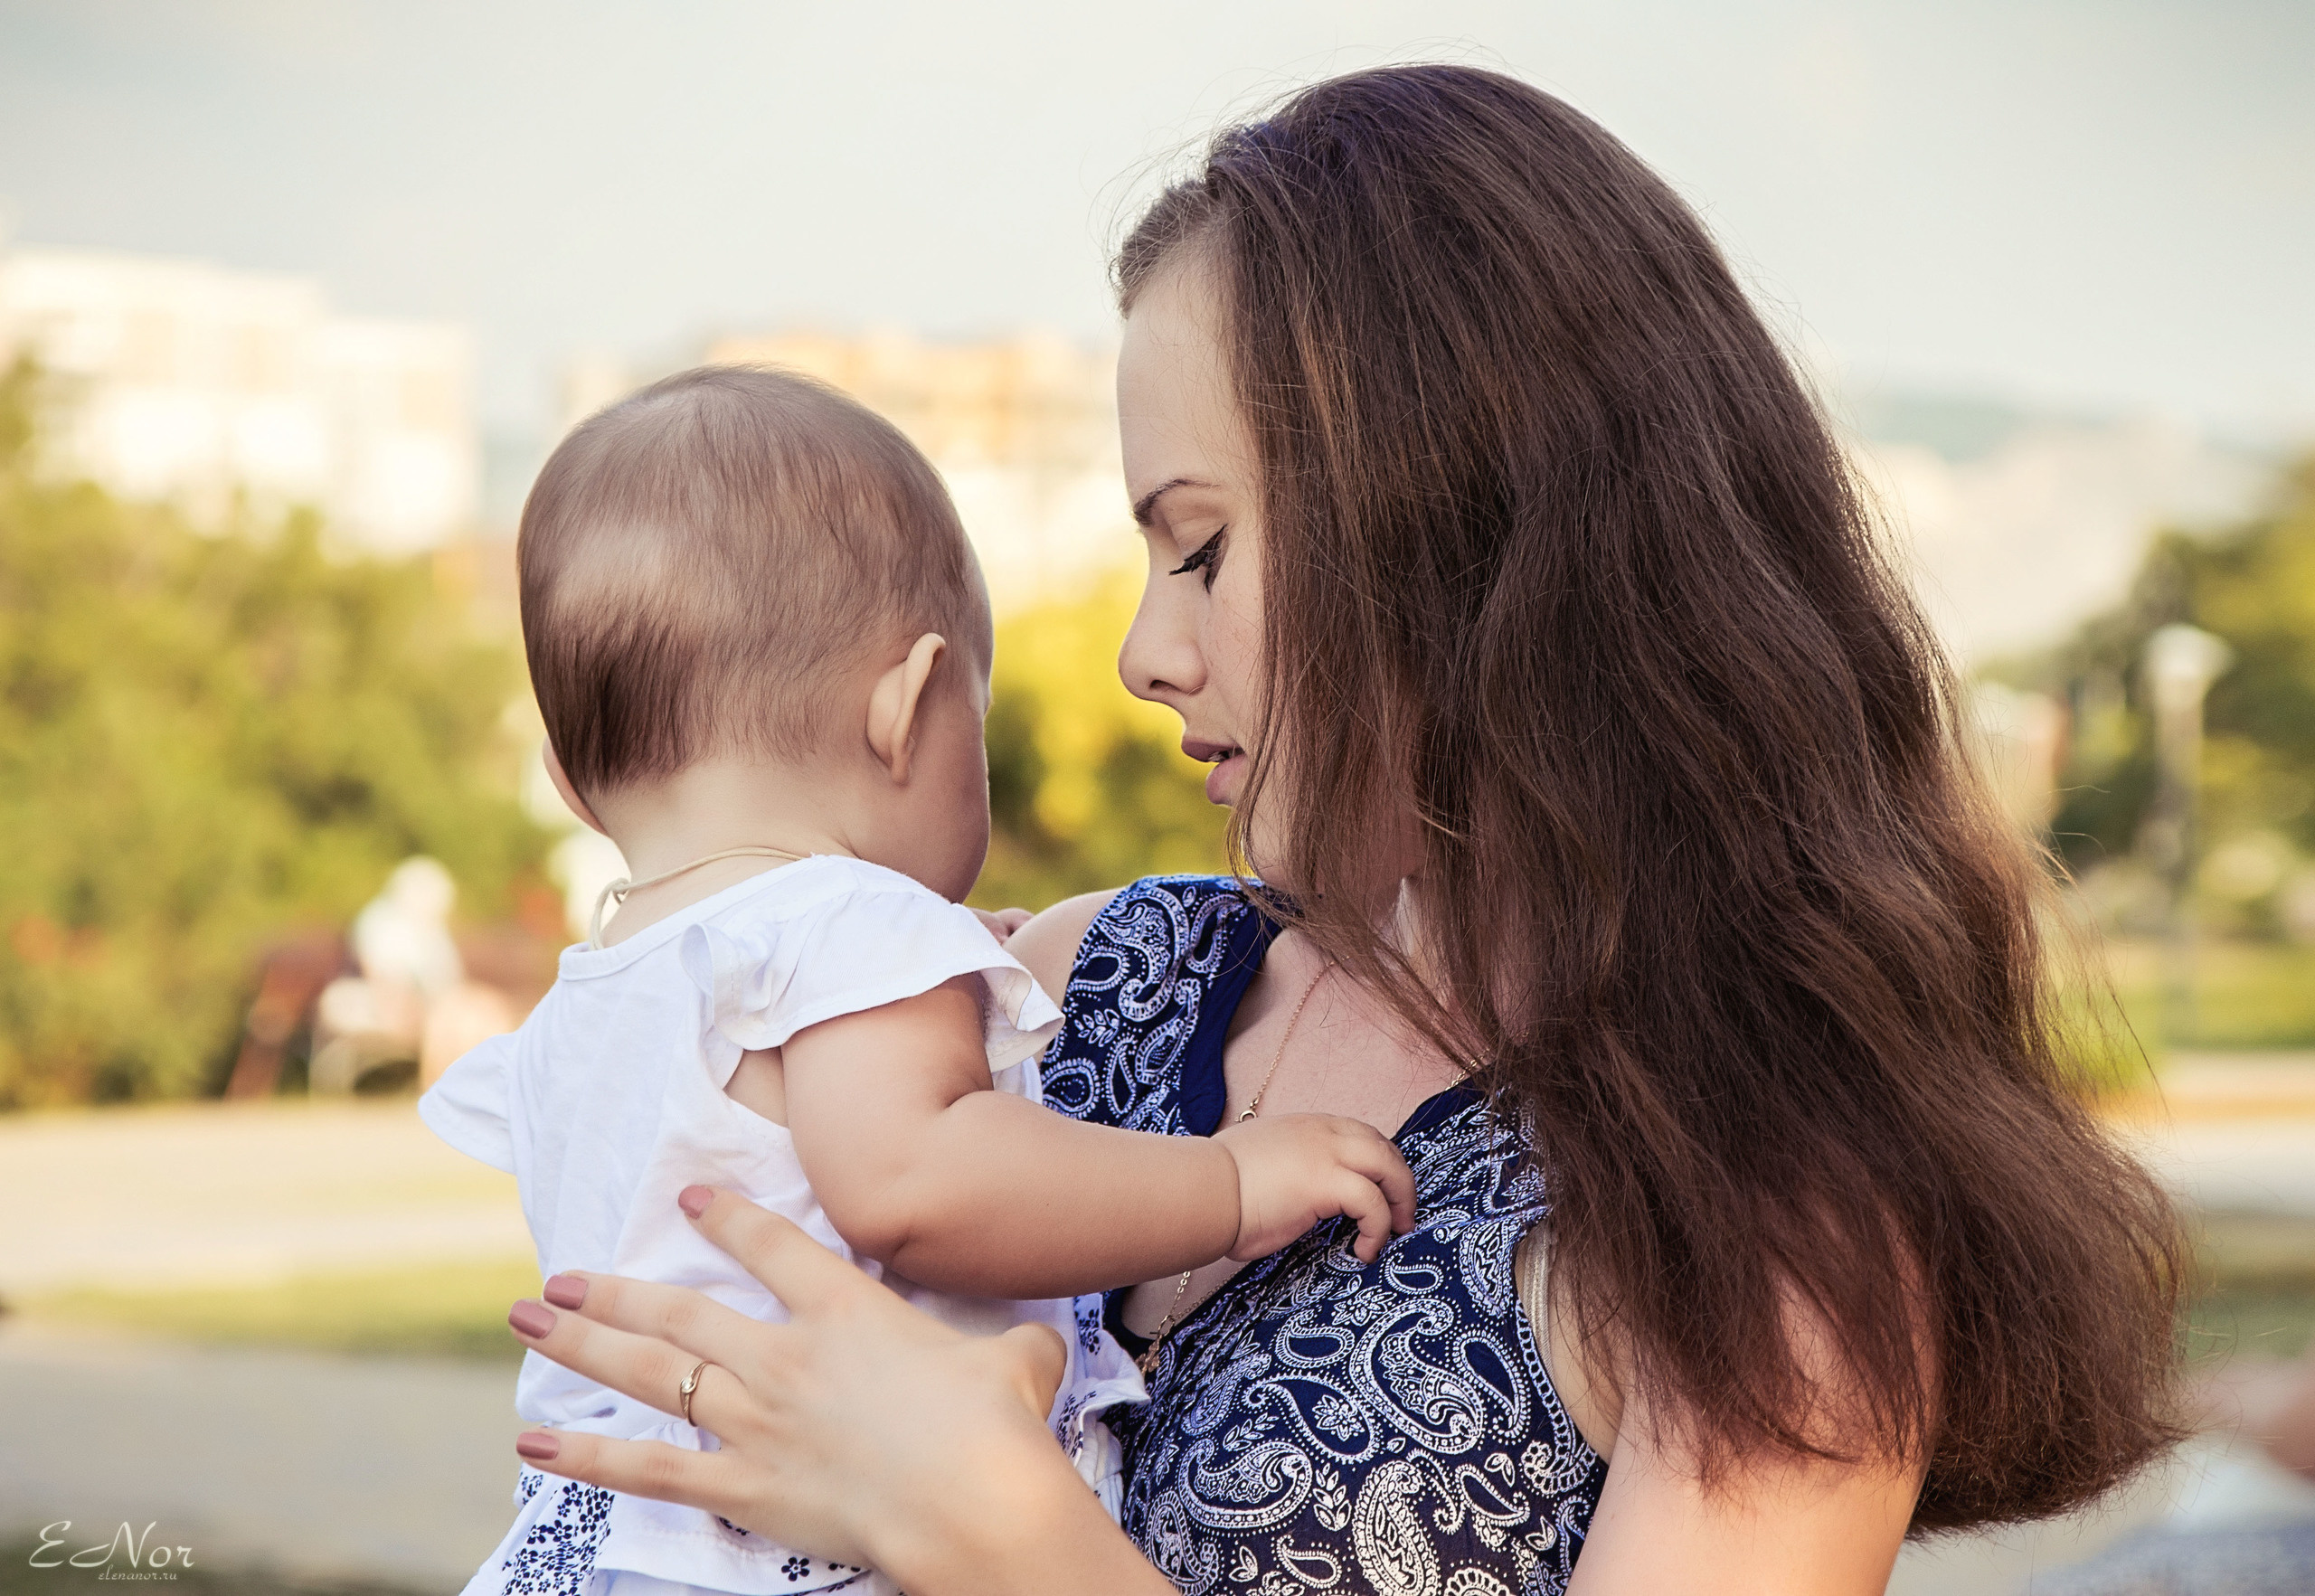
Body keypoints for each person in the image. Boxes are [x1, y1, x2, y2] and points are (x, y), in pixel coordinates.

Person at [491, 66, 2187, 1594]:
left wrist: (999, 1533)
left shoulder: (1777, 1235)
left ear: (1461, 535)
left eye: (1203, 548)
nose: (1146, 654)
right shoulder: (1064, 993)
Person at [418, 366, 1417, 1596]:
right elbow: (914, 1180)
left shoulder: (596, 997)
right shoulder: (854, 931)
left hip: (595, 1549)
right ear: (905, 709)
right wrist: (1226, 1182)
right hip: (779, 1561)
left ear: (577, 789)